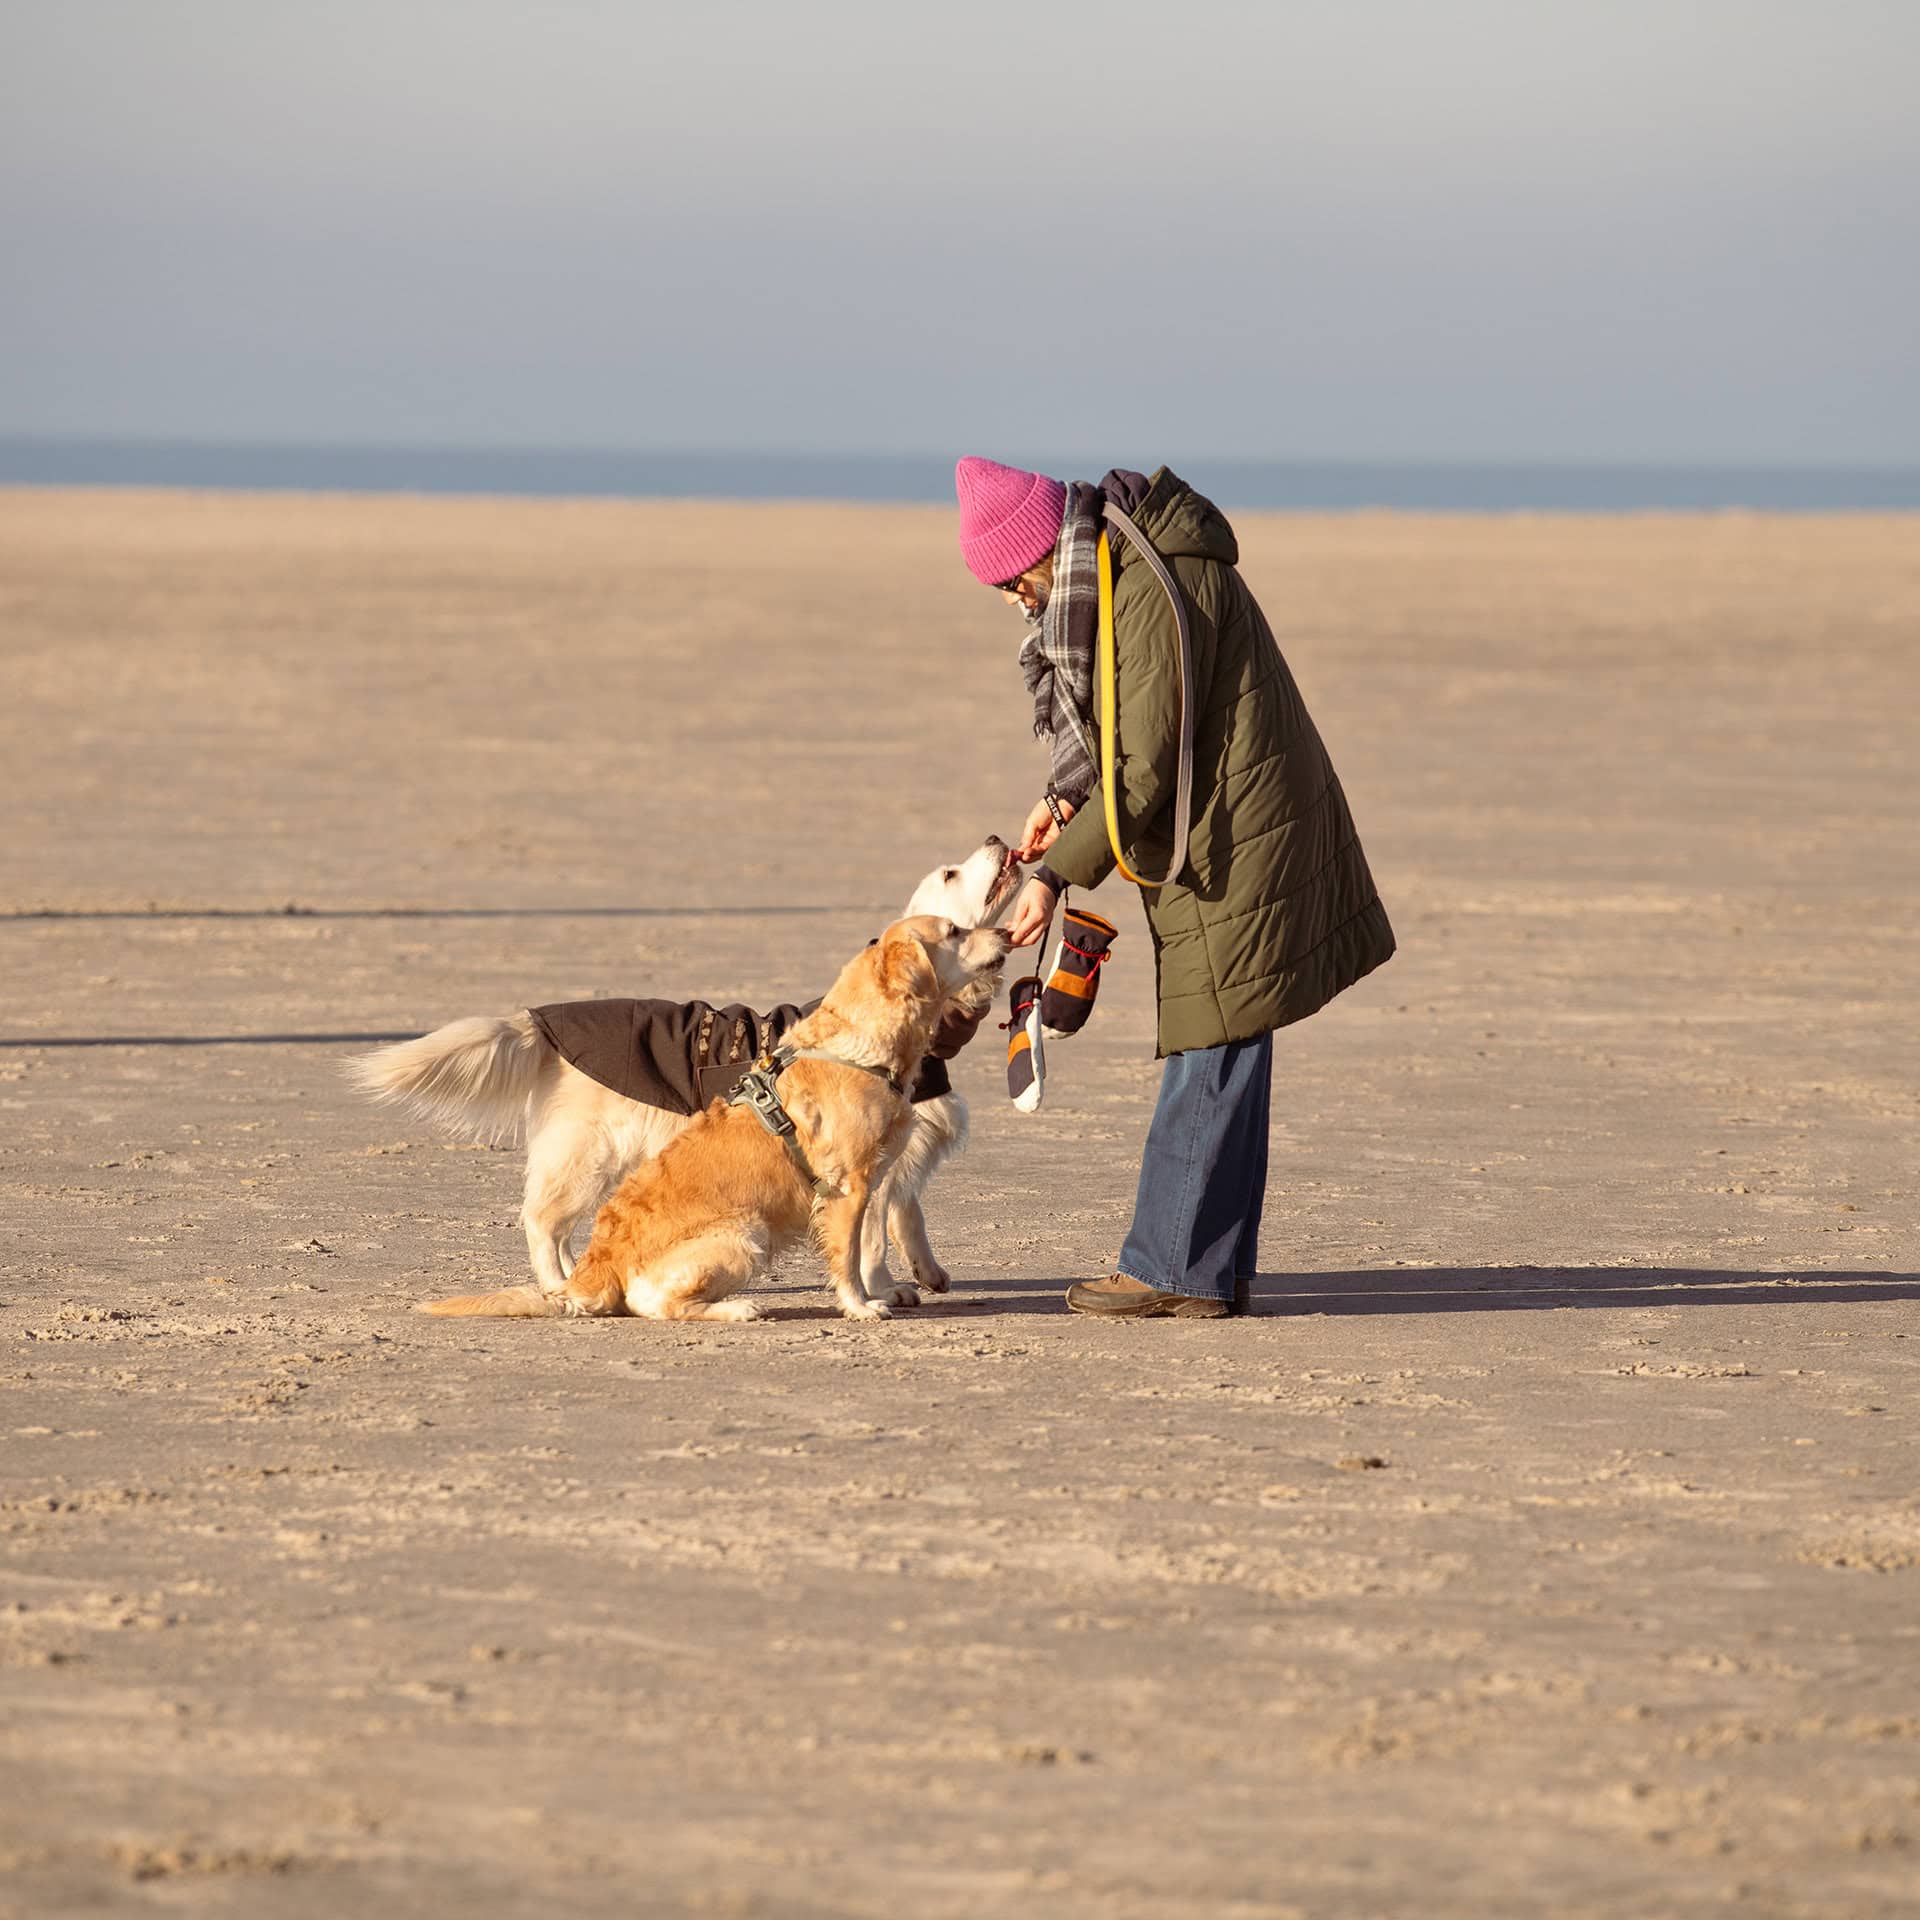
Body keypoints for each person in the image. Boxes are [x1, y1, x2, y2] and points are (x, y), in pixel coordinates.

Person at [953, 457, 1396, 1318]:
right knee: (1231, 1038)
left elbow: (1147, 763)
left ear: (1046, 548)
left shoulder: (1150, 584)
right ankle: (1211, 1269)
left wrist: (1054, 874)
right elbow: (1129, 729)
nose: (1016, 602)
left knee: (1214, 1033)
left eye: (1014, 580)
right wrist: (1062, 799)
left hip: (1237, 833)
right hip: (1220, 825)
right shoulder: (1123, 567)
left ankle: (1171, 1268)